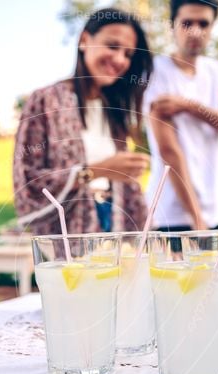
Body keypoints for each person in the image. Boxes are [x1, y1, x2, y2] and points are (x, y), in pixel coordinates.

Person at [14, 8, 152, 235]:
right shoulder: (45, 101)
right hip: (66, 233)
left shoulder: (114, 111)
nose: (119, 60)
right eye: (113, 46)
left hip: (112, 223)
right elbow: (28, 179)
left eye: (128, 54)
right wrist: (98, 170)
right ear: (84, 40)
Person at [144, 0, 218, 232]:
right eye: (187, 23)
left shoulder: (214, 70)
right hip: (174, 216)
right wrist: (197, 218)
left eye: (204, 24)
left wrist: (188, 105)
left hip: (215, 212)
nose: (196, 31)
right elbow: (169, 150)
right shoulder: (155, 71)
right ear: (172, 26)